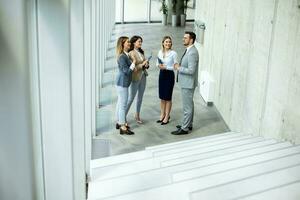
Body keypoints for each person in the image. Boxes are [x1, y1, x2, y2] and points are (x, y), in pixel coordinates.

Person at [171, 31, 199, 135]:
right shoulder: (189, 50)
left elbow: (191, 71)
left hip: (188, 83)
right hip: (187, 82)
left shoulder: (192, 52)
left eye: (185, 38)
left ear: (191, 40)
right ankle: (188, 124)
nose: (183, 39)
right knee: (189, 105)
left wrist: (179, 68)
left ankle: (185, 128)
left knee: (187, 107)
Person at [115, 36, 136, 135]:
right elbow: (126, 72)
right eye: (127, 42)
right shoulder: (122, 57)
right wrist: (134, 63)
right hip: (122, 83)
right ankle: (123, 127)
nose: (129, 43)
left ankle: (119, 122)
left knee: (120, 103)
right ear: (122, 44)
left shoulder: (125, 55)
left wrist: (132, 61)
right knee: (123, 105)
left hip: (122, 83)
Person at [126, 35, 149, 124]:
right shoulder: (131, 53)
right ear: (134, 43)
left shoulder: (141, 52)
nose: (140, 43)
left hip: (143, 76)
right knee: (131, 98)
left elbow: (144, 63)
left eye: (141, 42)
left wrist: (146, 65)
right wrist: (142, 65)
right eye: (139, 41)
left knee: (140, 97)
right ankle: (123, 117)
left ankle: (137, 115)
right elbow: (133, 67)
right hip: (135, 78)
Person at [156, 36, 178, 125]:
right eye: (166, 42)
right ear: (163, 43)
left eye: (169, 42)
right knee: (162, 97)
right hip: (161, 75)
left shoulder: (173, 53)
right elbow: (157, 63)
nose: (168, 43)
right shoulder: (160, 52)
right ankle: (162, 114)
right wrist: (159, 66)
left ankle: (167, 116)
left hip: (169, 75)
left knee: (168, 97)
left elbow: (176, 66)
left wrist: (166, 67)